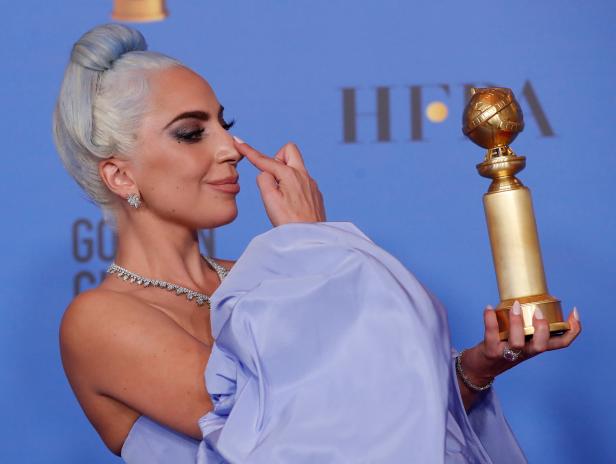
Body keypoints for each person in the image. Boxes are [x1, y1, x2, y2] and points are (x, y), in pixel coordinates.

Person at [53, 24, 581, 464]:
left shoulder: (267, 280)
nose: (231, 149)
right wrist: (311, 243)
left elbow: (384, 418)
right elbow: (300, 433)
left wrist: (474, 368)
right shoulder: (100, 320)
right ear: (120, 176)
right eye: (192, 133)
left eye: (225, 124)